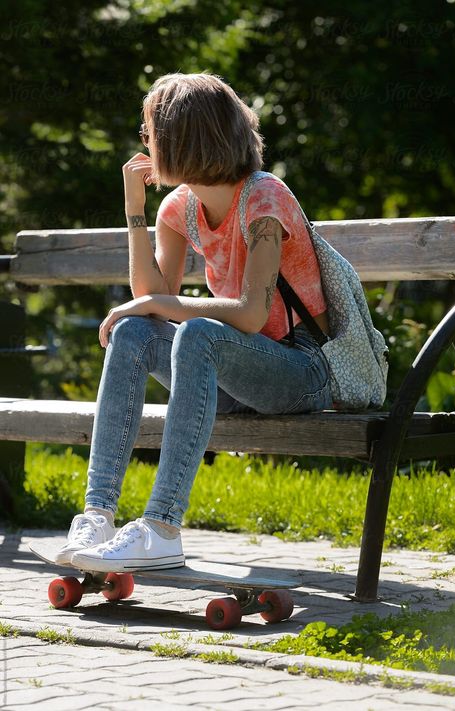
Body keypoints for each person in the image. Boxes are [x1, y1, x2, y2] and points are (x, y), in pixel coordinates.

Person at [55, 72, 333, 573]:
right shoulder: (179, 207)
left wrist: (157, 307)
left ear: (181, 137)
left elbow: (250, 313)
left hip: (301, 371)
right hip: (234, 375)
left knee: (197, 332)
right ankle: (97, 515)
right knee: (133, 331)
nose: (146, 143)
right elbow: (150, 299)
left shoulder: (264, 197)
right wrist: (134, 208)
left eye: (151, 132)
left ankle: (161, 526)